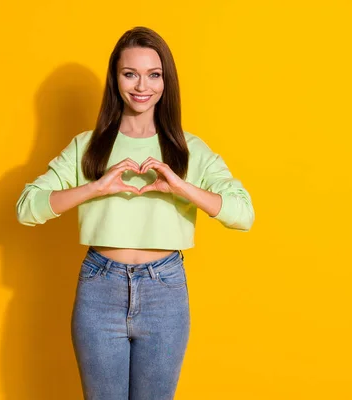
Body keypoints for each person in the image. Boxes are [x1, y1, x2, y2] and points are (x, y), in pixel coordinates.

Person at [15, 26, 255, 400]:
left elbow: (243, 214)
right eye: (130, 74)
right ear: (116, 78)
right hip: (100, 289)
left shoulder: (189, 149)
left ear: (166, 81)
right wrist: (95, 187)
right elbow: (27, 208)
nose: (142, 86)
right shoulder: (88, 146)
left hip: (165, 292)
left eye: (153, 75)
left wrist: (181, 187)